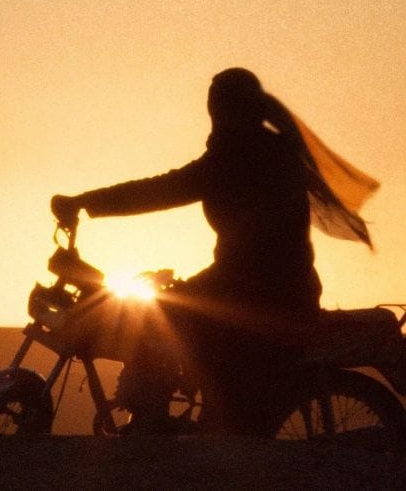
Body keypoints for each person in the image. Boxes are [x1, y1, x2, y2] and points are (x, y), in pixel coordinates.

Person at [51, 68, 379, 434]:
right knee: (164, 311)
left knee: (155, 318)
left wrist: (83, 202)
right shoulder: (263, 153)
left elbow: (160, 190)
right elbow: (165, 190)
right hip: (252, 287)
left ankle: (164, 427)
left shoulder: (240, 160)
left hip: (263, 295)